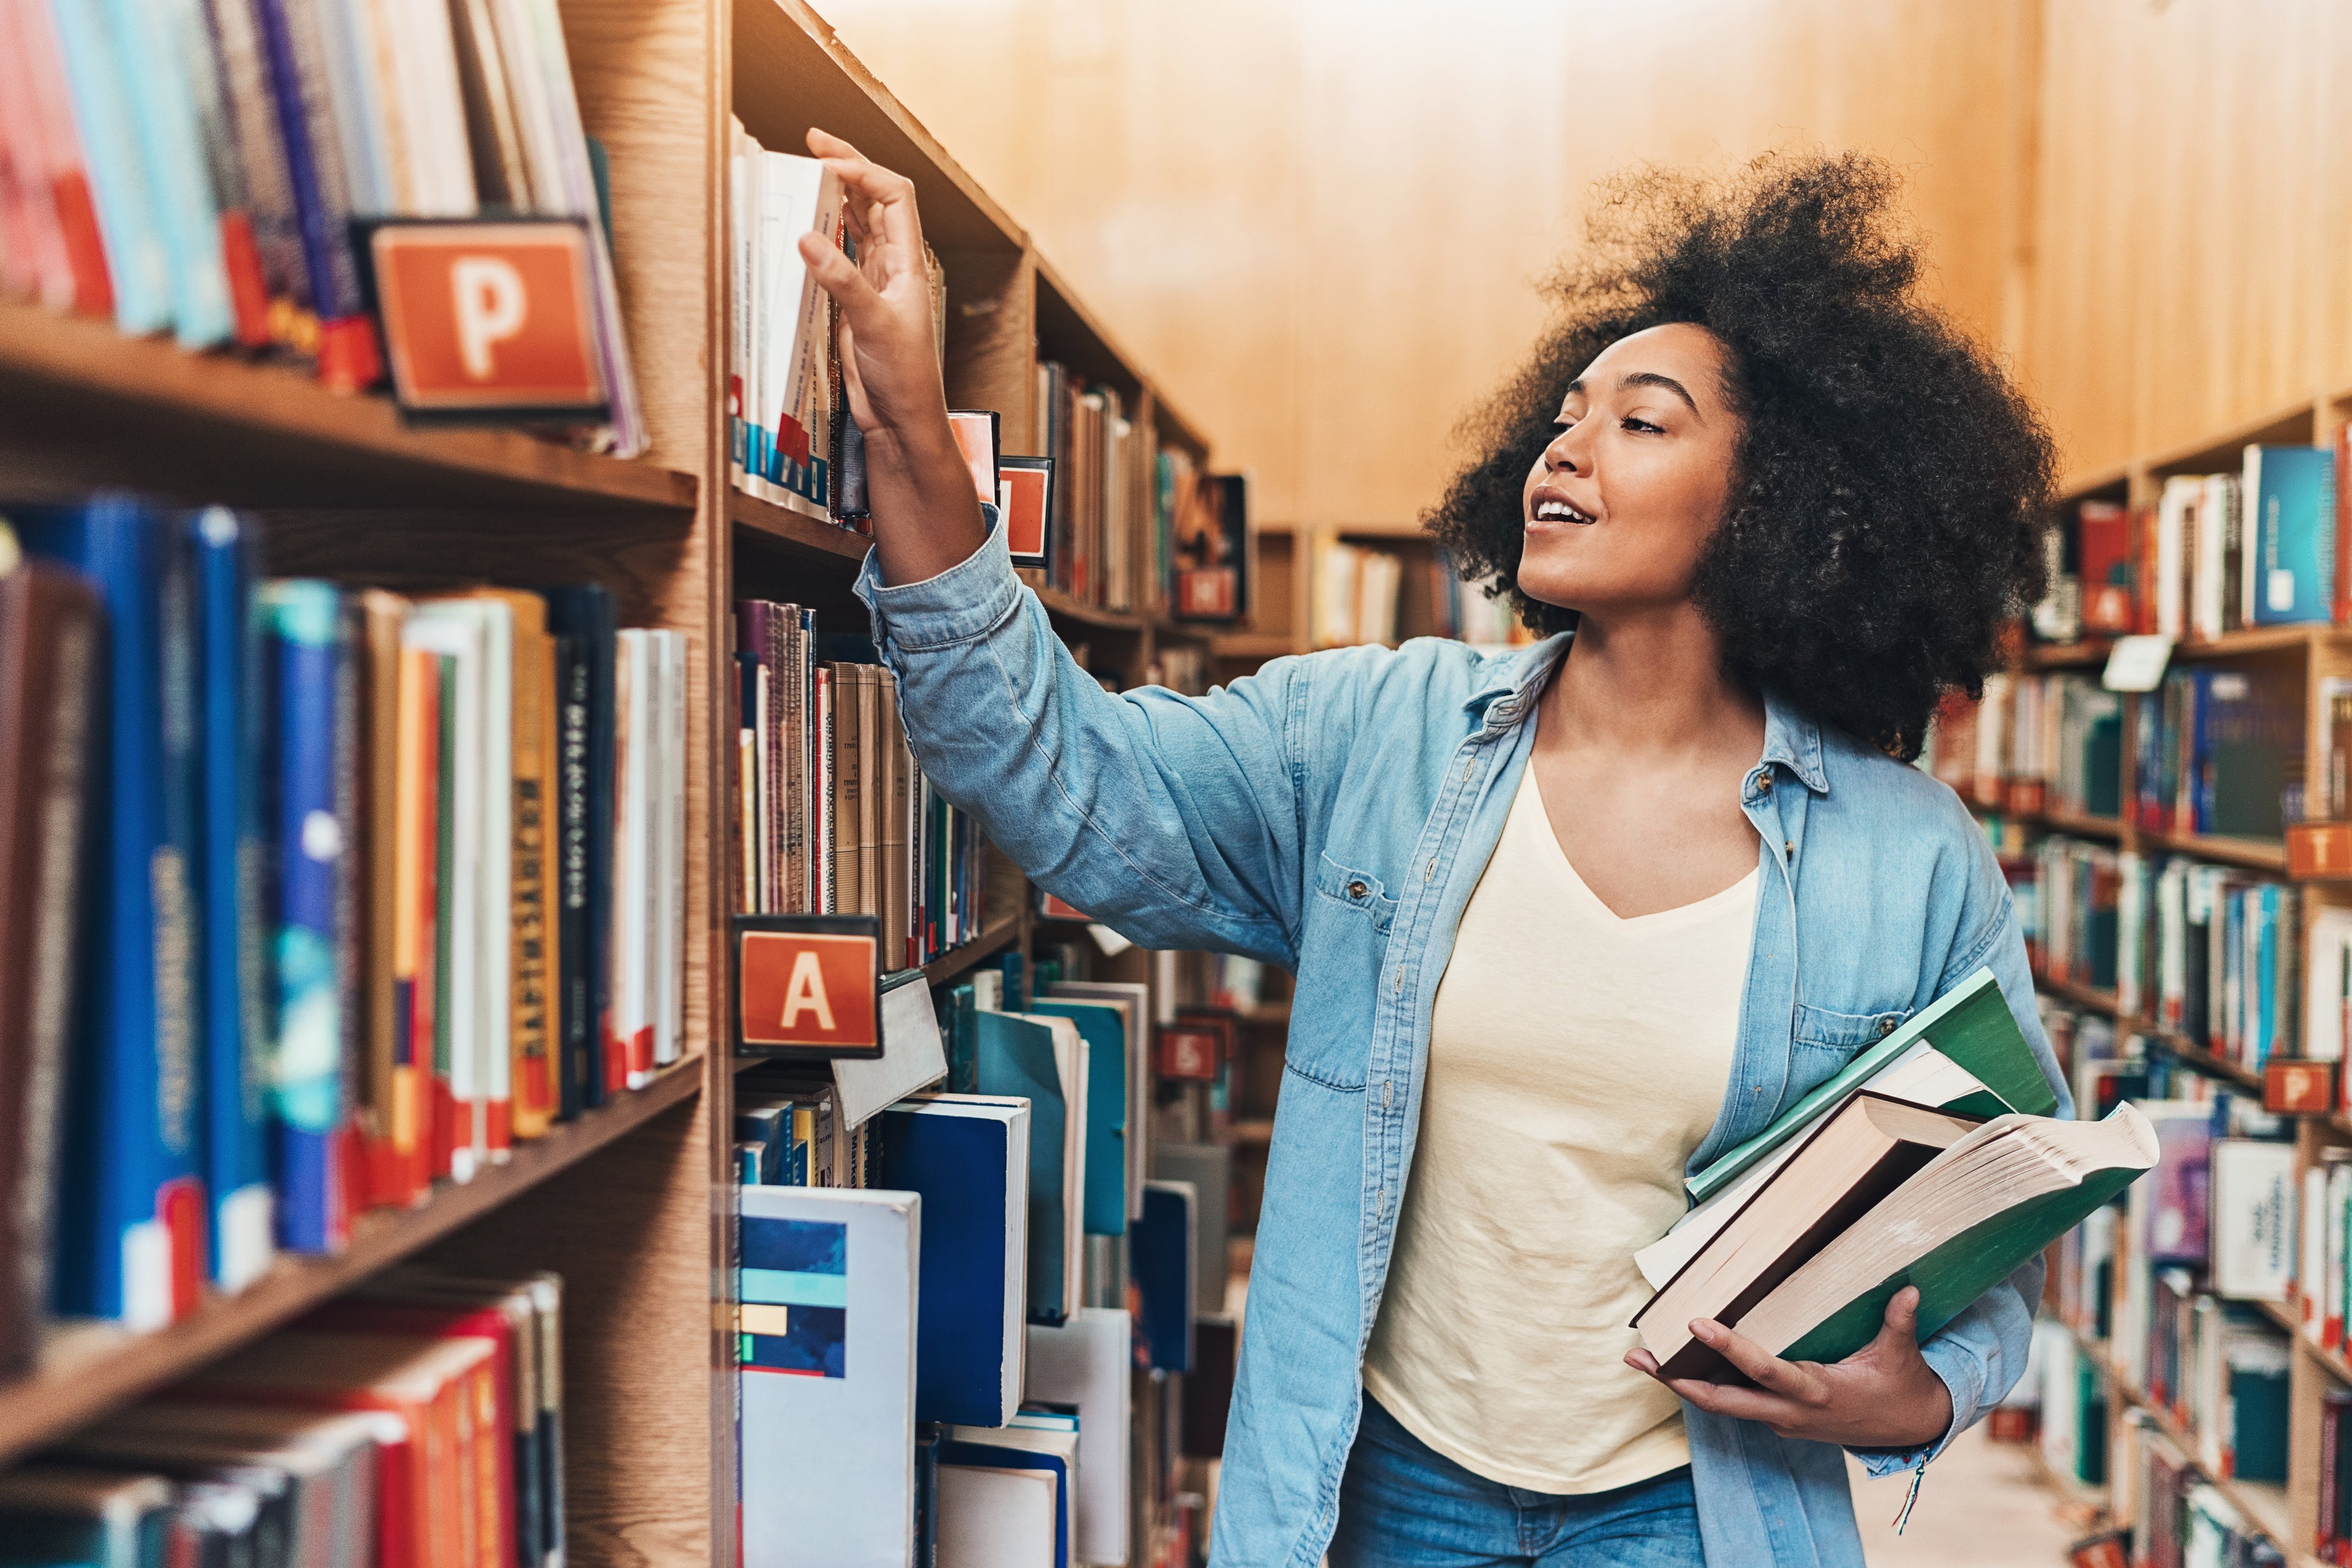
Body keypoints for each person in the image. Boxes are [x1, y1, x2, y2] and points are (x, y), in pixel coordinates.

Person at [796, 128, 2068, 1568]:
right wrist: (912, 421)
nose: (1565, 449)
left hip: (1695, 1507)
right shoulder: (1375, 738)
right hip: (1387, 1480)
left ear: (1778, 503)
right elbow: (1064, 781)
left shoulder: (1913, 860)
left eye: (1642, 423)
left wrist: (1919, 1396)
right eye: (1565, 415)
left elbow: (1999, 1206)